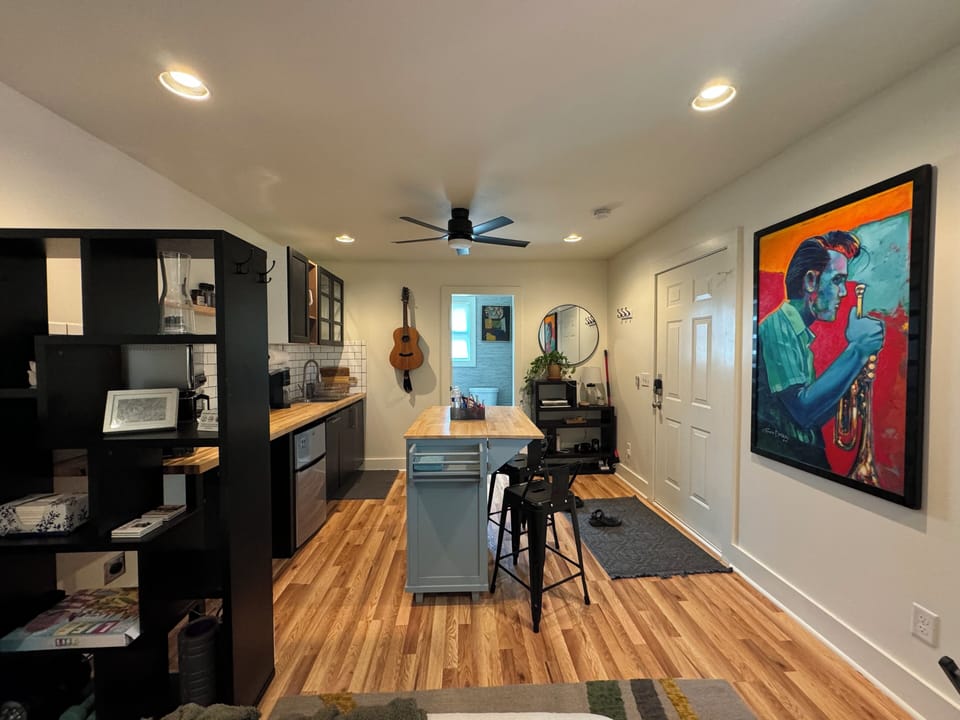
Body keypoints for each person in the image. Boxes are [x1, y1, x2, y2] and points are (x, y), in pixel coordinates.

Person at [755, 230, 884, 468]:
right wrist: (858, 349)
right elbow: (803, 411)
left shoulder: (797, 333)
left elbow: (815, 413)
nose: (843, 292)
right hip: (789, 453)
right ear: (810, 281)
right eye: (837, 280)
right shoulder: (776, 327)